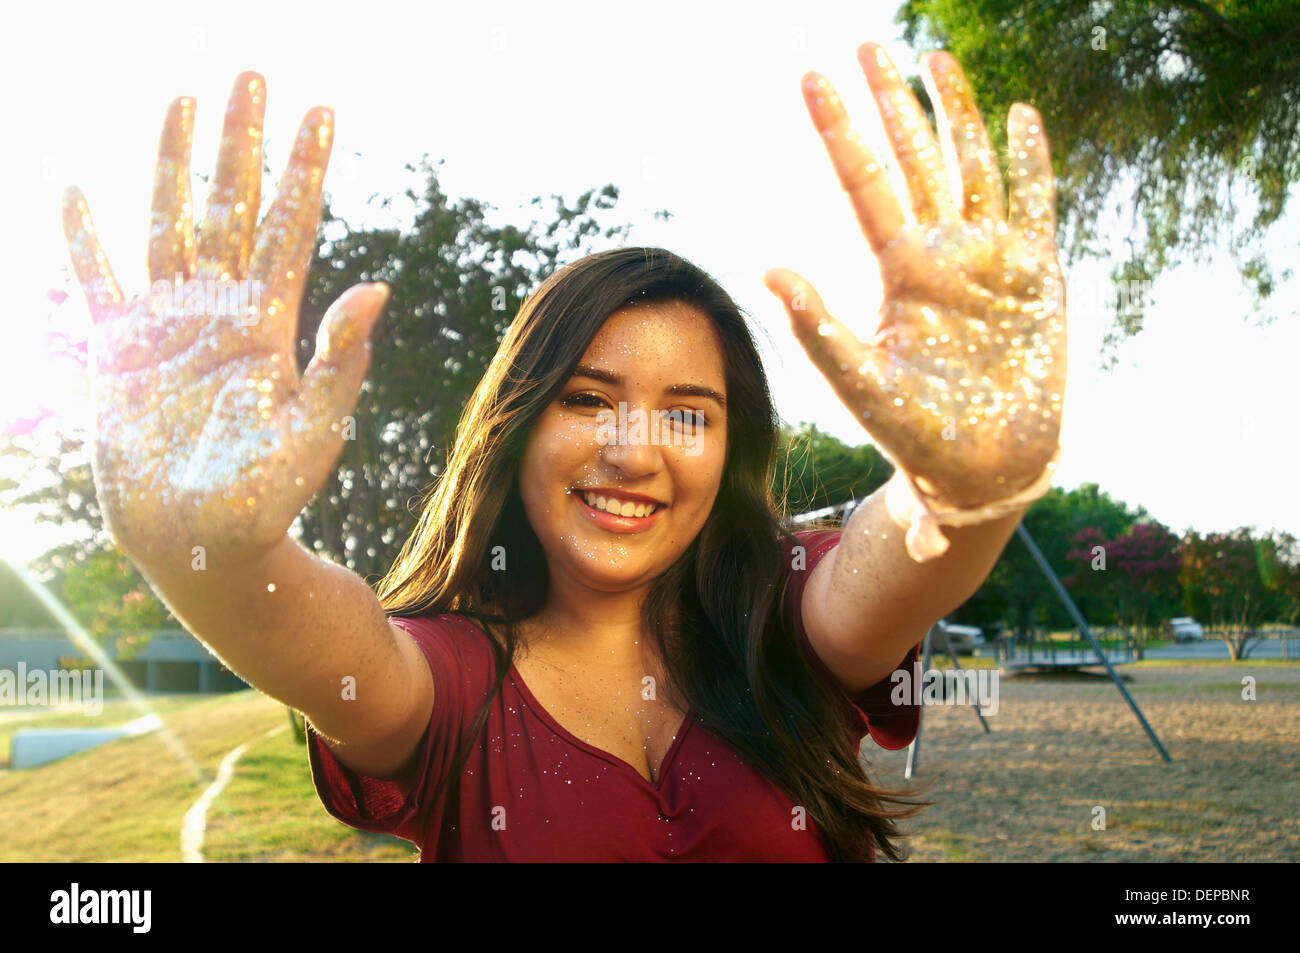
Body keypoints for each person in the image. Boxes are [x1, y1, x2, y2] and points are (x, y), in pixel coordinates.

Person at [60, 41, 1065, 862]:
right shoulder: (446, 680)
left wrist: (964, 490)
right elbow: (324, 645)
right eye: (587, 398)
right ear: (517, 421)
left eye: (687, 413)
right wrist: (210, 550)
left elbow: (902, 556)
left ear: (728, 450)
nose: (633, 450)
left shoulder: (788, 615)